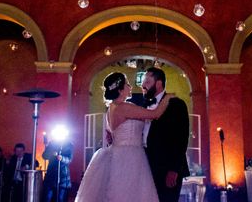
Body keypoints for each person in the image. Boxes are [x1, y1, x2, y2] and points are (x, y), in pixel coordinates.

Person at [74, 71, 174, 201]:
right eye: (127, 84)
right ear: (120, 90)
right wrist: (168, 98)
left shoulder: (111, 108)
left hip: (119, 153)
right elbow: (155, 114)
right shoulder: (124, 107)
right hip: (130, 156)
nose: (130, 87)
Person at [142, 67, 190, 202]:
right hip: (146, 166)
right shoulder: (141, 104)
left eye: (147, 81)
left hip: (167, 168)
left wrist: (173, 169)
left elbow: (181, 139)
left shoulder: (176, 105)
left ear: (158, 83)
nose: (143, 85)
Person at [42, 134, 73, 202]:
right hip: (50, 176)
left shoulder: (68, 145)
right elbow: (44, 156)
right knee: (47, 198)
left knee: (60, 199)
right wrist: (51, 153)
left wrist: (62, 158)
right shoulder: (52, 143)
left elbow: (69, 159)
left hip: (62, 177)